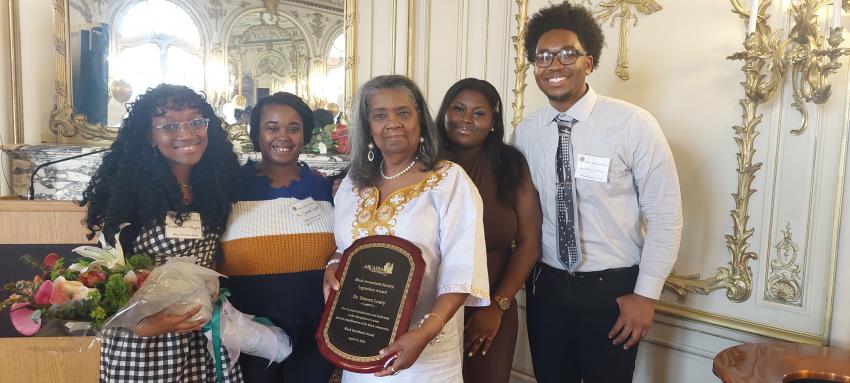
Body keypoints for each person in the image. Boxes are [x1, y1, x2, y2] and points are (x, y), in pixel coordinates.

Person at [512, 2, 683, 382]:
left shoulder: (633, 125)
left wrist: (645, 296)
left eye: (566, 53)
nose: (554, 64)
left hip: (614, 292)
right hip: (547, 288)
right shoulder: (526, 132)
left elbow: (665, 214)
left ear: (589, 61)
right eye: (542, 57)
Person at [323, 74, 490, 382]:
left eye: (403, 113)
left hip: (427, 358)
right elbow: (344, 248)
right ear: (368, 127)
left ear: (421, 122)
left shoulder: (449, 181)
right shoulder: (352, 184)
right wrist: (333, 267)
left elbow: (462, 271)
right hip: (360, 349)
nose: (393, 123)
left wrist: (424, 333)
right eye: (379, 115)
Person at [80, 84, 243, 382]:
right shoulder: (129, 196)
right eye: (169, 126)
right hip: (144, 345)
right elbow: (103, 277)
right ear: (149, 136)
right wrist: (139, 324)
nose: (186, 133)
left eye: (196, 121)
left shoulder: (218, 189)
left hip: (201, 337)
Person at [219, 92, 336, 383]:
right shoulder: (229, 187)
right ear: (256, 133)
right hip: (250, 331)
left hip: (315, 329)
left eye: (293, 128)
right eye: (272, 127)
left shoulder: (328, 189)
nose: (282, 136)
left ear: (305, 134)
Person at [435, 78, 542, 383]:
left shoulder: (510, 164)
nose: (466, 120)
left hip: (491, 303)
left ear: (494, 122)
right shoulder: (424, 162)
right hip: (429, 303)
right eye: (458, 109)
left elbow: (529, 242)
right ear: (445, 112)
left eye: (478, 113)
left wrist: (497, 307)